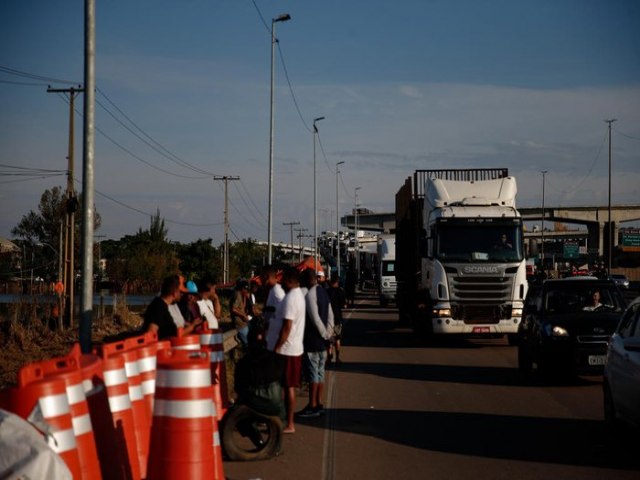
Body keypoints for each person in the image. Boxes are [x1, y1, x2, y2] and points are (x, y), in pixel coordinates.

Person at [266, 266, 306, 434]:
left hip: (288, 349)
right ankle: (283, 420)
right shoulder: (296, 296)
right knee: (285, 386)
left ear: (290, 280)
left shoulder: (291, 299)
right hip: (291, 348)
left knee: (288, 387)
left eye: (284, 279)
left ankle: (289, 423)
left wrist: (277, 346)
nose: (281, 281)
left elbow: (287, 327)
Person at [297, 269, 334, 418]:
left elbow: (315, 318)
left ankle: (312, 406)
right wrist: (329, 332)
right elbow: (330, 314)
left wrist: (324, 334)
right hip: (322, 342)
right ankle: (319, 403)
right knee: (320, 374)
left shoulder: (310, 295)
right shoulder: (323, 292)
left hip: (313, 341)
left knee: (313, 375)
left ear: (307, 279)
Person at [234, 322, 286, 422]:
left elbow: (238, 388)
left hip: (253, 402)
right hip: (275, 404)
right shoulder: (275, 357)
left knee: (237, 413)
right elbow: (282, 382)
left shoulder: (245, 362)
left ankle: (254, 434)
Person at [143, 275, 202, 339]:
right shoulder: (159, 306)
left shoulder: (163, 305)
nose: (182, 295)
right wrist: (192, 326)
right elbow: (151, 334)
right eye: (181, 292)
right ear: (174, 293)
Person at [327, 273, 346, 365]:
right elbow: (344, 305)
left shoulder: (327, 291)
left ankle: (329, 358)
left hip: (328, 319)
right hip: (338, 318)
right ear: (338, 282)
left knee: (330, 339)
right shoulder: (341, 292)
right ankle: (337, 358)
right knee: (338, 338)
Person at [231, 279, 252, 347]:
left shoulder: (241, 295)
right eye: (246, 290)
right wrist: (243, 315)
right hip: (239, 324)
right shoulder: (237, 295)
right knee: (247, 344)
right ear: (242, 288)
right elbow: (234, 308)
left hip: (243, 323)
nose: (247, 291)